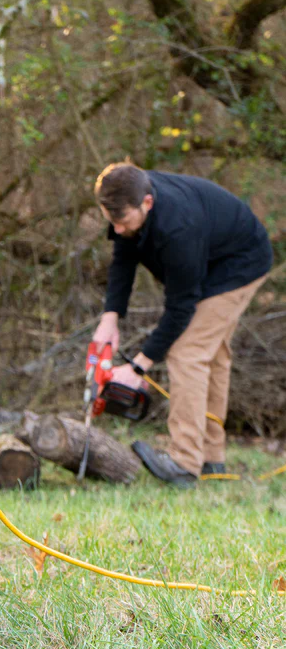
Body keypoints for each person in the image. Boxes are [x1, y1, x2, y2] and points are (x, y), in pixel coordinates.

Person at [91, 161, 272, 488]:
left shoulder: (178, 228)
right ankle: (211, 457)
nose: (117, 229)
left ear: (147, 203)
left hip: (239, 264)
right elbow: (123, 258)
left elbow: (180, 308)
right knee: (212, 354)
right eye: (111, 221)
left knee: (187, 353)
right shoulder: (128, 195)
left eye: (122, 221)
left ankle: (184, 462)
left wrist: (138, 367)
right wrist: (110, 317)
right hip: (209, 259)